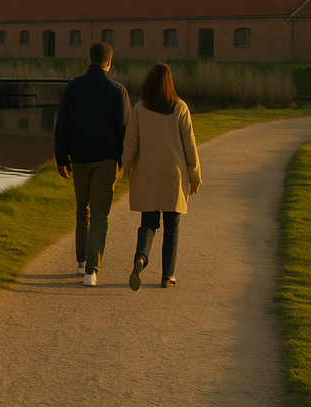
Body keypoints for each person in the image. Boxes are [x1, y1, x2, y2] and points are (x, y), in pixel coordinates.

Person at [54, 42, 131, 287]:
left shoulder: (74, 88)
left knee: (82, 209)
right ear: (109, 61)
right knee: (99, 214)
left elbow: (62, 125)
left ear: (90, 59)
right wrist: (123, 161)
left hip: (79, 159)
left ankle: (80, 262)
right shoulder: (118, 91)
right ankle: (91, 270)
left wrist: (61, 158)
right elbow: (124, 130)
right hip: (105, 160)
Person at [121, 63, 202, 290]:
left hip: (147, 176)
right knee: (172, 228)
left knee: (148, 224)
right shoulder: (180, 108)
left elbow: (130, 145)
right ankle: (168, 276)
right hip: (173, 178)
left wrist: (124, 169)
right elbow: (190, 147)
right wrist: (195, 177)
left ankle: (141, 257)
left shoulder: (139, 109)